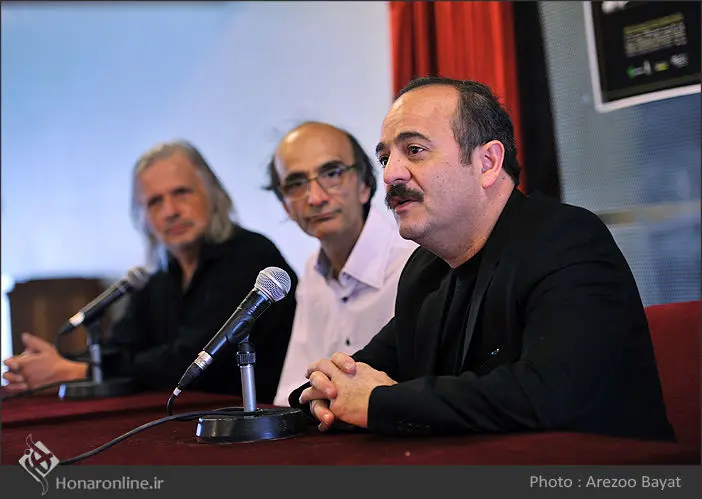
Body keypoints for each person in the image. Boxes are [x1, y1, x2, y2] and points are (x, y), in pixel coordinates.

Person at [291, 76, 675, 441]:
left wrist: (380, 402)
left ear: (488, 163)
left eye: (414, 150)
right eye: (385, 158)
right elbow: (356, 375)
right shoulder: (425, 270)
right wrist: (324, 393)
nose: (391, 174)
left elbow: (547, 393)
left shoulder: (566, 240)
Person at [3, 140, 298, 403]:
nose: (170, 211)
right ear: (141, 216)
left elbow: (190, 360)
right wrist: (56, 364)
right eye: (155, 202)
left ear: (214, 195)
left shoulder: (250, 255)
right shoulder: (160, 276)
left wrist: (75, 371)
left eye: (181, 193)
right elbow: (122, 346)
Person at [265, 122, 417, 406]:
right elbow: (292, 390)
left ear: (365, 185)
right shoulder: (312, 271)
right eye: (296, 184)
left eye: (332, 173)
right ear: (285, 205)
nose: (315, 198)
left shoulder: (413, 261)